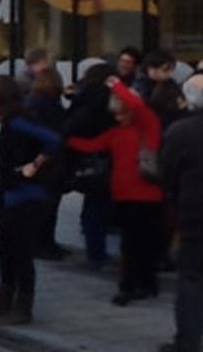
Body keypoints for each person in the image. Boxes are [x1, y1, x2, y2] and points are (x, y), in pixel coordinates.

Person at [67, 77, 164, 306]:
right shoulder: (120, 131)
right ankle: (147, 284)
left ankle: (129, 287)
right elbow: (92, 145)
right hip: (130, 195)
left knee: (133, 245)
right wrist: (66, 139)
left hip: (143, 195)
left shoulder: (147, 124)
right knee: (140, 243)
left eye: (122, 113)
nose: (119, 118)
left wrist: (115, 84)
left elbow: (139, 106)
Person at [0, 76, 62, 326]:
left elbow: (53, 140)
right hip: (10, 193)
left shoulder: (18, 121)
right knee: (6, 248)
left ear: (0, 94)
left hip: (26, 195)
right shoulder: (8, 120)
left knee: (21, 252)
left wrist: (33, 166)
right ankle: (3, 298)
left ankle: (23, 307)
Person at [160, 75, 203, 352]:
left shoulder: (180, 131)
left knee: (191, 279)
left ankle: (187, 342)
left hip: (195, 214)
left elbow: (167, 176)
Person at [63, 64, 116, 269]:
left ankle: (96, 252)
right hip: (100, 156)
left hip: (85, 157)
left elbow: (71, 125)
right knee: (98, 206)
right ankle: (97, 253)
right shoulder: (101, 99)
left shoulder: (81, 96)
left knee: (93, 205)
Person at [25, 68, 69, 261]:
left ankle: (41, 243)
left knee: (41, 205)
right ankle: (44, 243)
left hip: (37, 158)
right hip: (49, 160)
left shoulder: (32, 101)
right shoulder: (51, 105)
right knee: (49, 206)